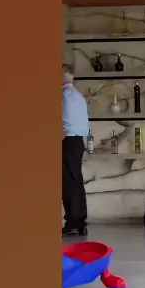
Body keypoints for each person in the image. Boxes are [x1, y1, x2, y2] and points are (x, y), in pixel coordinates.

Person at [62, 66, 89, 236]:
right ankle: (80, 223)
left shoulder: (63, 95)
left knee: (67, 184)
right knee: (76, 182)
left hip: (68, 142)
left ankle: (72, 223)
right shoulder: (78, 96)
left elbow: (65, 125)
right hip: (78, 142)